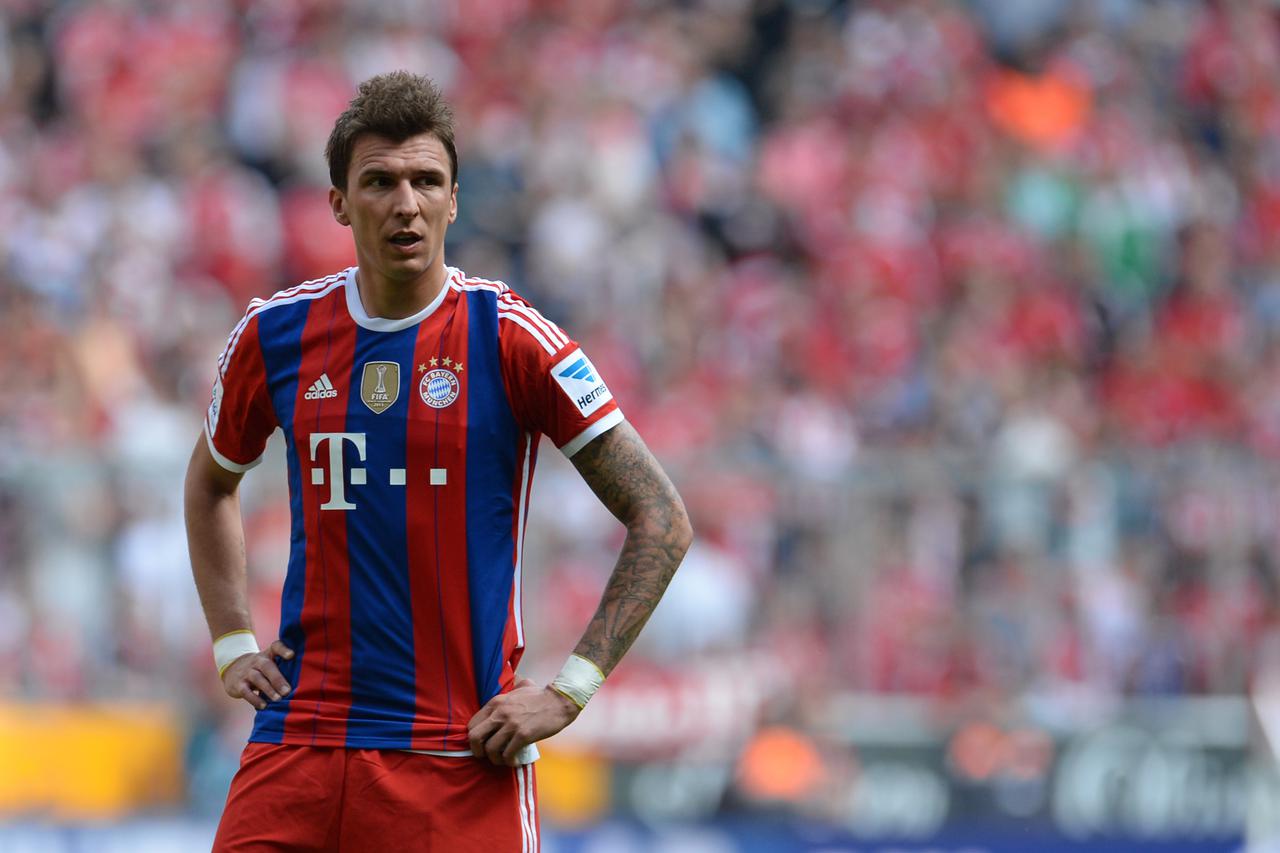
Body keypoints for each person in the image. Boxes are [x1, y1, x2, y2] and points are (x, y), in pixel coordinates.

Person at [184, 70, 692, 852]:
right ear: (339, 202)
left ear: (454, 199)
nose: (406, 203)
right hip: (301, 743)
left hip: (457, 756)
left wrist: (570, 690)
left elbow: (661, 517)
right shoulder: (274, 336)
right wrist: (231, 641)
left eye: (427, 181)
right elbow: (212, 481)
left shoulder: (512, 338)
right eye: (379, 182)